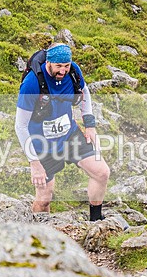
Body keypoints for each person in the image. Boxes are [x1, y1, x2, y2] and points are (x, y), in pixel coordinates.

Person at [15, 43, 110, 221]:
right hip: (41, 144)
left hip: (69, 135)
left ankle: (96, 222)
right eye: (59, 66)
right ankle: (38, 239)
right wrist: (34, 163)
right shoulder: (32, 83)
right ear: (49, 62)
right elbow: (20, 125)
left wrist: (89, 125)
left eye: (66, 66)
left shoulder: (73, 72)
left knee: (101, 173)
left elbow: (85, 92)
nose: (63, 71)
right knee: (44, 200)